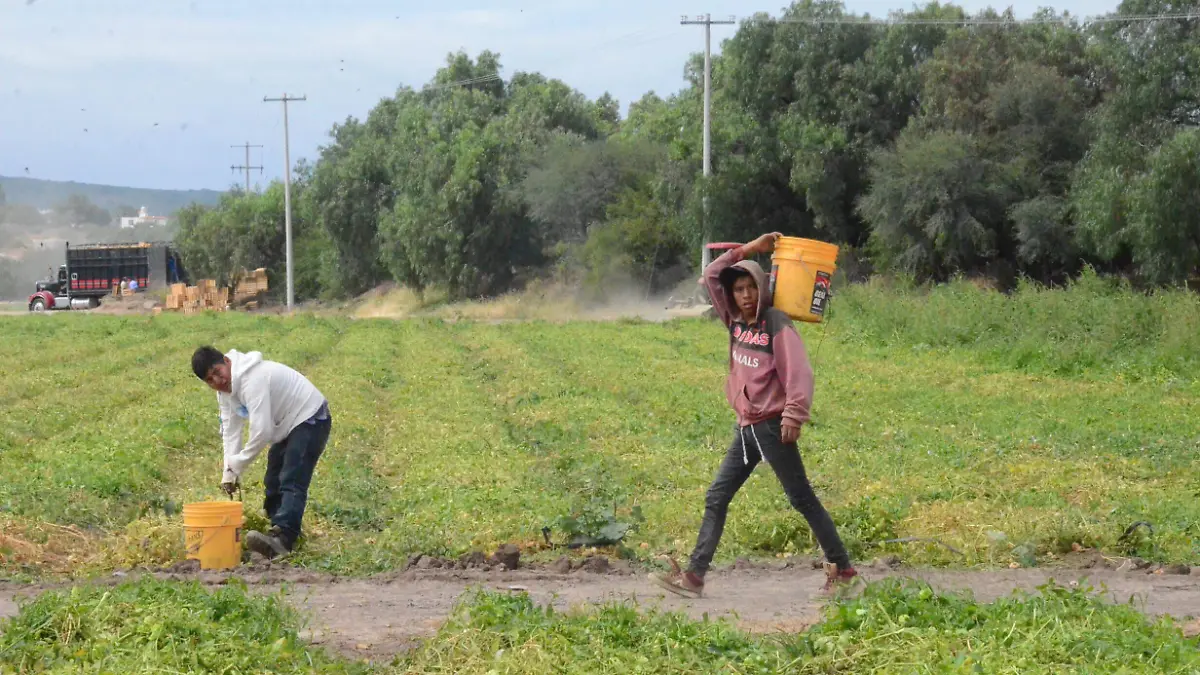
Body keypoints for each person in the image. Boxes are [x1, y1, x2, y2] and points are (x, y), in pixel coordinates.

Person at [651, 232, 857, 597]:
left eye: (750, 288)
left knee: (802, 498)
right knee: (717, 495)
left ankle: (843, 571)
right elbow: (714, 273)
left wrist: (794, 415)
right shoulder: (733, 321)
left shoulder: (775, 322)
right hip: (747, 427)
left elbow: (799, 372)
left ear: (762, 289)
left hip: (773, 425)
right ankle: (695, 577)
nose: (745, 296)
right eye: (739, 290)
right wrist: (748, 250)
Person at [191, 346, 332, 560]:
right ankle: (276, 533)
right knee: (273, 480)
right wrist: (229, 472)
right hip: (287, 424)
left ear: (227, 362)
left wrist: (239, 462)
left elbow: (262, 431)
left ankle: (284, 538)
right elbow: (230, 431)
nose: (218, 382)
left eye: (218, 372)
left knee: (291, 477)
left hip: (310, 417)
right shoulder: (225, 393)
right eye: (210, 380)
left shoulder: (251, 379)